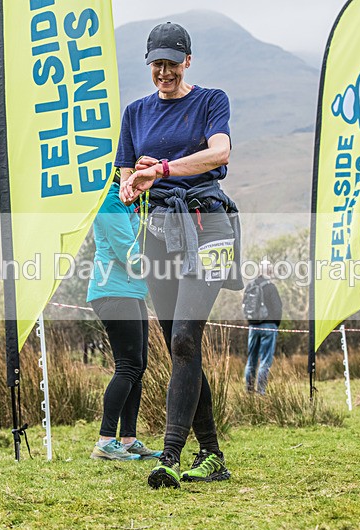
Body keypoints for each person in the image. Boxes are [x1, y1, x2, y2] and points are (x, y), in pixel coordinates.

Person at [117, 21, 241, 489]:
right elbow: (125, 180)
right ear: (148, 64)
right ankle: (212, 456)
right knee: (178, 345)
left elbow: (219, 153)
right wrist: (135, 180)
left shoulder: (211, 101)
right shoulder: (135, 113)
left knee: (187, 338)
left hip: (208, 226)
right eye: (157, 64)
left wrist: (164, 169)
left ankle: (169, 456)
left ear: (188, 60)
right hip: (160, 232)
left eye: (172, 63)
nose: (164, 72)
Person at [87, 171, 161, 461]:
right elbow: (128, 254)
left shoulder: (130, 202)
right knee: (128, 366)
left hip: (132, 291)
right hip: (113, 291)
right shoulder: (111, 202)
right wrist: (164, 261)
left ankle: (128, 440)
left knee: (138, 366)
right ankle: (106, 441)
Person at [243, 263, 283, 394]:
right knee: (265, 361)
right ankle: (261, 392)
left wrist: (250, 321)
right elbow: (278, 308)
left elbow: (245, 306)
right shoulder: (271, 287)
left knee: (251, 361)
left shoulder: (250, 286)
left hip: (253, 326)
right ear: (269, 272)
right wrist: (275, 324)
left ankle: (249, 391)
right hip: (269, 327)